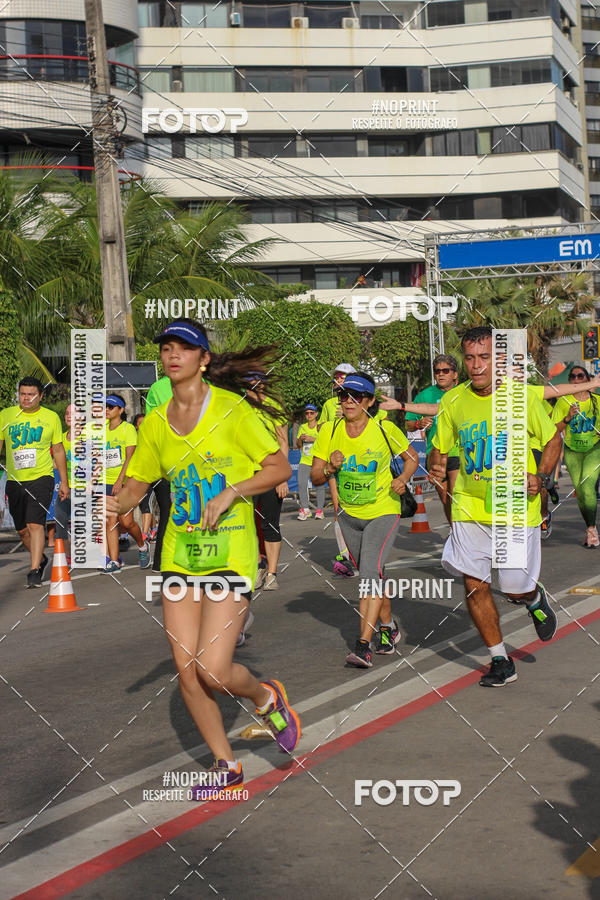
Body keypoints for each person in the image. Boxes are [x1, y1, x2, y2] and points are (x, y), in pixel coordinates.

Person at [107, 318, 300, 797]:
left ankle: (265, 696)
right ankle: (226, 766)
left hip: (230, 554)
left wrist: (233, 491)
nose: (174, 355)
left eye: (184, 348)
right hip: (179, 555)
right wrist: (115, 503)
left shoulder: (233, 411)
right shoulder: (153, 423)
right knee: (186, 668)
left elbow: (278, 465)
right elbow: (137, 484)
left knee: (213, 669)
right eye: (167, 348)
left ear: (204, 359)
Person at [429, 326, 562, 688]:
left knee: (515, 587)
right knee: (475, 585)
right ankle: (500, 659)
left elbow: (552, 439)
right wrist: (437, 469)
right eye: (469, 358)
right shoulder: (452, 401)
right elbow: (440, 449)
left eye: (484, 357)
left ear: (498, 360)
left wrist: (544, 476)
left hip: (515, 504)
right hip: (470, 506)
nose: (476, 366)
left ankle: (533, 598)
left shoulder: (521, 397)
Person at [311, 371, 419, 668]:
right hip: (349, 516)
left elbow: (412, 458)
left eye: (356, 396)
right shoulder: (330, 431)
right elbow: (315, 477)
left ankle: (362, 646)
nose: (348, 401)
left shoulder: (384, 430)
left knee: (370, 576)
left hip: (383, 511)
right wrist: (331, 469)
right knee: (374, 575)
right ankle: (388, 628)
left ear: (369, 401)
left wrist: (404, 479)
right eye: (343, 395)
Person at [0, 377, 69, 588]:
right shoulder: (6, 415)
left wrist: (64, 482)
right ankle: (39, 557)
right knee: (22, 530)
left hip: (42, 478)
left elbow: (58, 450)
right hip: (14, 480)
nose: (26, 398)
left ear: (40, 396)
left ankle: (34, 570)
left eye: (31, 394)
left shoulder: (50, 418)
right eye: (22, 394)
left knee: (35, 523)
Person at [245, 373, 289, 591]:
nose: (250, 390)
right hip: (246, 475)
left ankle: (271, 572)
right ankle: (257, 566)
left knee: (269, 523)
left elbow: (283, 443)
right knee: (247, 524)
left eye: (253, 385)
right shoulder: (238, 407)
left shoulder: (273, 407)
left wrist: (282, 477)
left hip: (271, 473)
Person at [551, 365, 600, 548]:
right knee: (581, 493)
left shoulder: (597, 401)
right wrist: (568, 418)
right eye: (573, 377)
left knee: (587, 486)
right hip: (572, 451)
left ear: (587, 379)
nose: (577, 379)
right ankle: (590, 528)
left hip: (594, 450)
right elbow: (553, 430)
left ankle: (592, 529)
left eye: (581, 376)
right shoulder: (564, 402)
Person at [102, 394, 150, 573]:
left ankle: (142, 546)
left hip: (123, 482)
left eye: (110, 407)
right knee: (110, 522)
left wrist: (120, 480)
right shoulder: (102, 430)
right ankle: (114, 561)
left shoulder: (127, 430)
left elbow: (130, 457)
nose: (106, 409)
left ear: (121, 410)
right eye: (105, 406)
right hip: (105, 482)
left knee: (127, 522)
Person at [145, 376, 174, 573]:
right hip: (164, 462)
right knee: (168, 510)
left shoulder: (207, 383)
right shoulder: (157, 388)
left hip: (199, 461)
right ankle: (161, 561)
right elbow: (150, 426)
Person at [296, 404, 325, 520]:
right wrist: (300, 439)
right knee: (301, 484)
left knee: (319, 485)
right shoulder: (302, 427)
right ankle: (305, 510)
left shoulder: (320, 427)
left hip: (317, 460)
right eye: (307, 413)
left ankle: (319, 511)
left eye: (311, 413)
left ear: (316, 414)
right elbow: (298, 444)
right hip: (305, 460)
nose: (309, 415)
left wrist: (313, 439)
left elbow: (324, 442)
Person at [133, 412, 157, 542]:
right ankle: (153, 528)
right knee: (143, 504)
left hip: (152, 476)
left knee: (146, 503)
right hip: (138, 477)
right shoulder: (133, 439)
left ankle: (144, 534)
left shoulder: (154, 437)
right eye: (140, 424)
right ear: (136, 427)